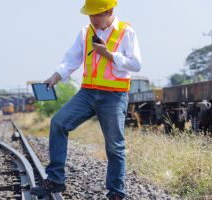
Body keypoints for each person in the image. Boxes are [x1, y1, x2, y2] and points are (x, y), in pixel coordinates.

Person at [30, 0, 142, 199]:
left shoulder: (127, 32)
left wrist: (109, 55)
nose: (93, 19)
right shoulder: (86, 32)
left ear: (109, 11)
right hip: (87, 93)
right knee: (58, 123)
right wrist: (55, 77)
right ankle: (55, 180)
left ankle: (116, 192)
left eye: (96, 14)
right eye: (90, 15)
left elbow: (135, 64)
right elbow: (71, 59)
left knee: (114, 145)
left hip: (113, 96)